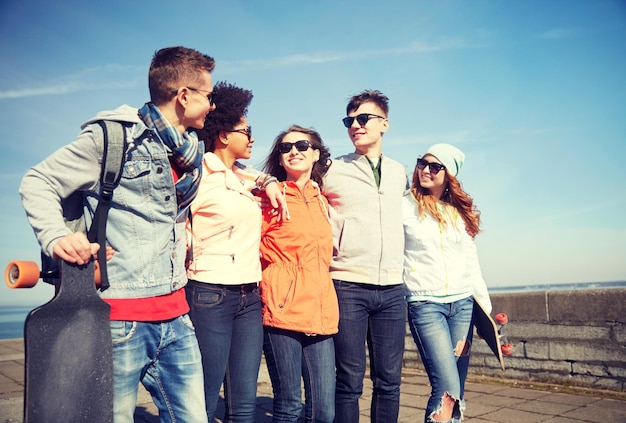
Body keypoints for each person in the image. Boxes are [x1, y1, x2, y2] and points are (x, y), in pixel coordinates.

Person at [19, 46, 216, 423]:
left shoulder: (189, 152)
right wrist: (57, 237)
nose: (211, 104)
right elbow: (38, 180)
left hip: (177, 315)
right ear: (184, 95)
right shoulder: (115, 138)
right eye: (208, 95)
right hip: (120, 319)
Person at [322, 90, 408, 423]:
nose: (355, 126)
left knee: (389, 381)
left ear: (384, 124)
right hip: (347, 284)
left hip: (391, 288)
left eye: (363, 119)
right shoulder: (331, 169)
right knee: (349, 379)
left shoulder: (400, 171)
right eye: (349, 121)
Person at [185, 81, 264, 423]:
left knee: (244, 402)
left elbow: (256, 177)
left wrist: (271, 182)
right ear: (223, 136)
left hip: (250, 294)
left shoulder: (240, 176)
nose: (252, 138)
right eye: (246, 130)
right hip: (210, 293)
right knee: (202, 398)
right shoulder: (199, 173)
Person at [403, 143, 492, 423]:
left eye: (434, 166)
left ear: (449, 174)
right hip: (426, 305)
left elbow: (471, 264)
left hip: (463, 307)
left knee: (458, 392)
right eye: (422, 163)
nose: (425, 170)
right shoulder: (404, 204)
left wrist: (488, 313)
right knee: (447, 388)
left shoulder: (458, 213)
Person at [260, 125, 339, 423]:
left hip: (320, 311)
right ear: (279, 159)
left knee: (323, 410)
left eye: (302, 145)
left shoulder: (322, 200)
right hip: (283, 311)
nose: (293, 151)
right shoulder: (269, 196)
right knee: (290, 405)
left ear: (316, 154)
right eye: (285, 148)